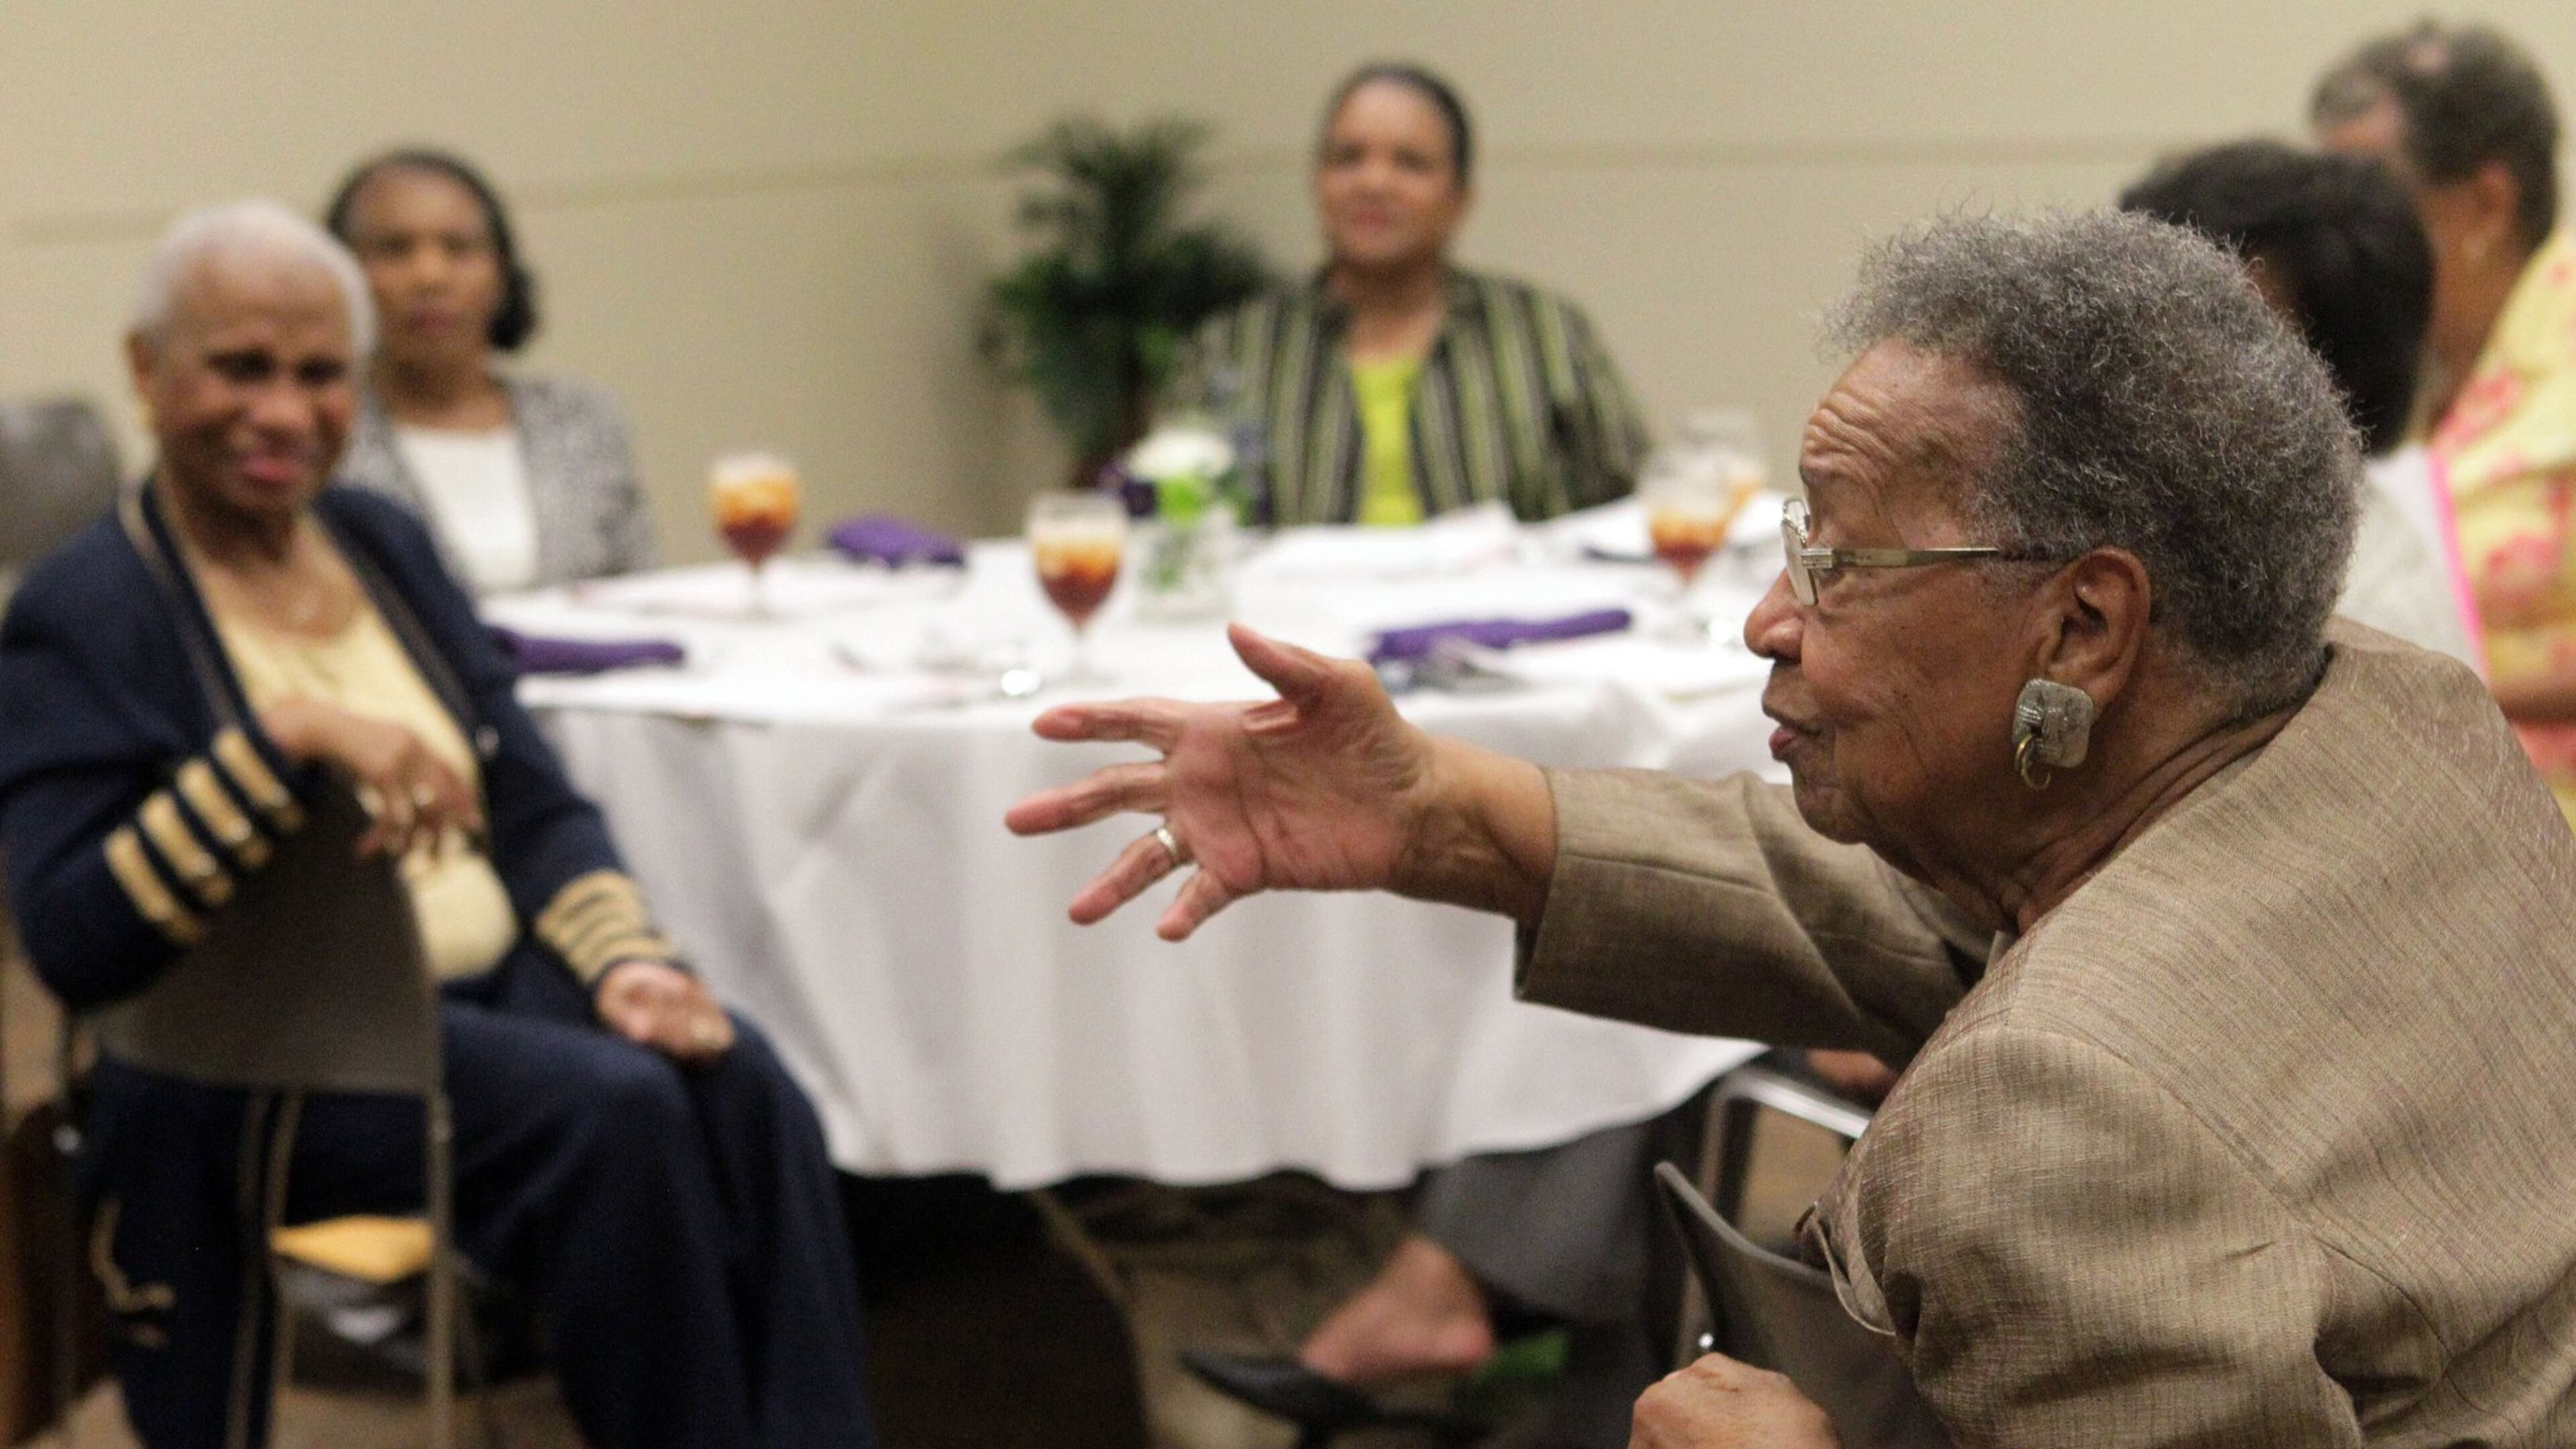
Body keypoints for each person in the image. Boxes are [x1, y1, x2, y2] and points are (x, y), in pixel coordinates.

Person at [1010, 211, 2576, 1445]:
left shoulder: (2050, 1128)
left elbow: (2083, 1053)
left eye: (1838, 559)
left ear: (2084, 624)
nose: (1767, 618)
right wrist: (1431, 811)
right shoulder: (2382, 713)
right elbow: (1929, 916)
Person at [0, 202, 872, 1449]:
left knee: (739, 1081)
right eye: (243, 369)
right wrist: (279, 744)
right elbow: (73, 937)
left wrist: (629, 962)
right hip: (261, 1051)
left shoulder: (379, 540)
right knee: (613, 1117)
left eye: (319, 377)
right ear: (148, 371)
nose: (287, 414)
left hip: (482, 998)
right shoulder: (88, 604)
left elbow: (530, 800)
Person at [1178, 62, 1650, 525]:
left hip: (1506, 602)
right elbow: (1174, 525)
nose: (1374, 183)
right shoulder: (1237, 346)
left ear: (1460, 197)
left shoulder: (1544, 334)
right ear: (1318, 183)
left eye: (1410, 163)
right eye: (1348, 159)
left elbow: (1639, 509)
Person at [2314, 21, 2576, 820]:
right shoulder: (2376, 360)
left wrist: (2443, 688)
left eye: (2370, 196)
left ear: (2487, 205)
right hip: (2429, 837)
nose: (2343, 231)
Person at [2120, 138, 2479, 663]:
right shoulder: (2181, 541)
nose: (2138, 367)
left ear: (2336, 380)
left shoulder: (2373, 621)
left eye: (2213, 333)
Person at [326, 149, 657, 594]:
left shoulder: (580, 417)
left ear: (503, 274)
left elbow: (644, 589)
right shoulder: (322, 433)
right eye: (395, 250)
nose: (430, 276)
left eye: (458, 249)